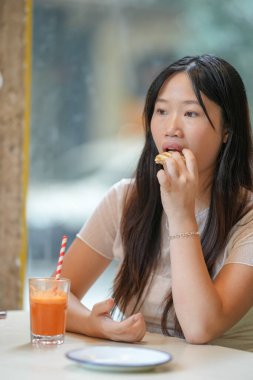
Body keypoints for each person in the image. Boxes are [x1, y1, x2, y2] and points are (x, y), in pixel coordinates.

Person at [60, 54, 253, 351]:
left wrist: (180, 214)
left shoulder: (248, 217)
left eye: (191, 114)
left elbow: (201, 328)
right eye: (161, 111)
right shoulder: (125, 199)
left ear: (227, 130)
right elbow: (53, 296)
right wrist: (96, 325)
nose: (171, 128)